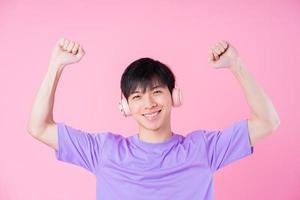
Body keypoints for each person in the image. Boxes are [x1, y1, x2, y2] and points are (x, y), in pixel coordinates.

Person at [27, 38, 280, 200]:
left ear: (175, 97)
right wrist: (56, 65)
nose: (148, 104)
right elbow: (38, 127)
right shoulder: (104, 151)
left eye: (157, 92)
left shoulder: (203, 149)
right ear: (125, 106)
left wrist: (236, 65)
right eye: (137, 96)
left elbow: (268, 122)